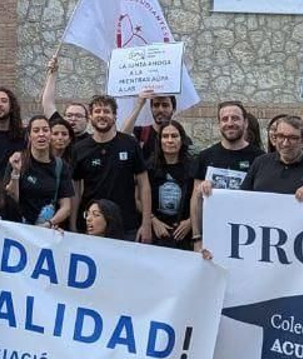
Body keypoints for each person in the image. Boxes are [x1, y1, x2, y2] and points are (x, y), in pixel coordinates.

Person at [70, 96, 151, 242]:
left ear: (114, 116)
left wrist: (146, 224)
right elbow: (75, 191)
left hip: (126, 226)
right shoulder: (79, 149)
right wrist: (73, 224)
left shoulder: (130, 144)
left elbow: (144, 185)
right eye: (97, 111)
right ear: (90, 116)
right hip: (91, 227)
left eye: (106, 111)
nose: (102, 115)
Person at [236, 115, 303, 202]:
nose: (285, 143)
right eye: (281, 136)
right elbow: (242, 198)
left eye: (292, 138)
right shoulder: (260, 162)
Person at [11, 116, 75, 228]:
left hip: (45, 229)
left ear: (50, 135)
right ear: (29, 136)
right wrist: (16, 172)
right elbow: (12, 198)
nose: (41, 134)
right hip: (19, 227)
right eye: (36, 131)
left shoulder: (60, 166)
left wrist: (49, 223)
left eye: (45, 130)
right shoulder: (18, 159)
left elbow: (66, 207)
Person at [145, 122, 194, 248]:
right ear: (159, 140)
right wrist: (153, 221)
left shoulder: (193, 167)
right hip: (157, 232)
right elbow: (138, 198)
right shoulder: (149, 167)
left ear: (182, 139)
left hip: (184, 234)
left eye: (174, 136)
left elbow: (201, 200)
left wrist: (191, 222)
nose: (170, 140)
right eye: (165, 136)